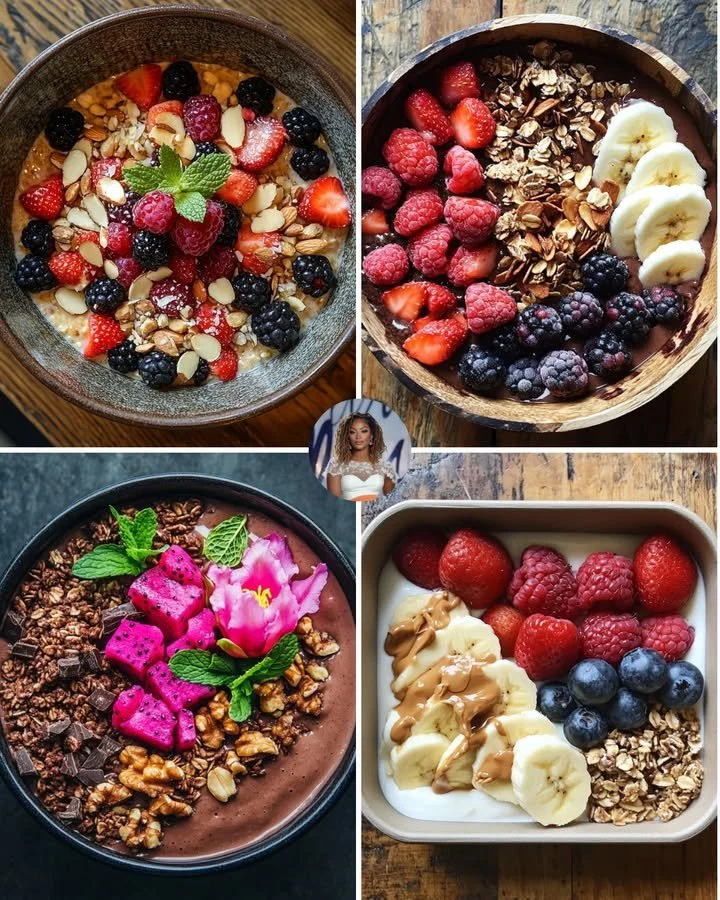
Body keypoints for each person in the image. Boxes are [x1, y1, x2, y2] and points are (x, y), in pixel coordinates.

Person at [326, 413, 396, 501]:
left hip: (375, 509)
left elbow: (391, 501)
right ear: (347, 437)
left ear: (371, 436)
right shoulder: (336, 465)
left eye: (364, 431)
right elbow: (334, 502)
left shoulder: (385, 467)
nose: (358, 436)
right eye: (352, 432)